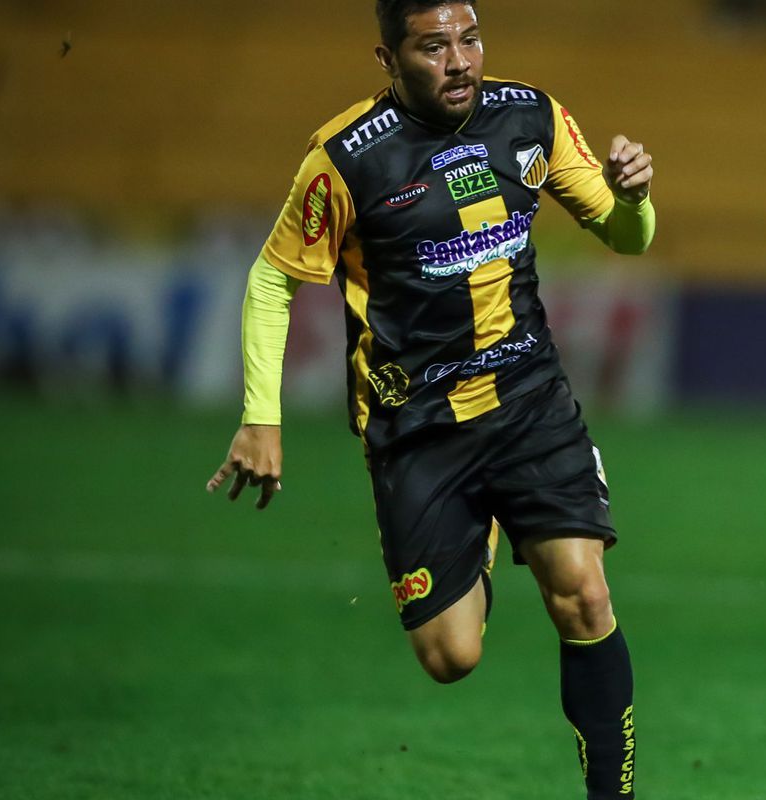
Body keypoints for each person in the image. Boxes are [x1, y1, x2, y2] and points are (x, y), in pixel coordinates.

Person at [205, 2, 653, 796]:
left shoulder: (532, 117)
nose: (459, 61)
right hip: (417, 425)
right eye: (434, 46)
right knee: (451, 657)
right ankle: (478, 528)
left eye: (470, 40)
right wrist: (261, 419)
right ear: (389, 59)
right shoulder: (346, 159)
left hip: (528, 400)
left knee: (584, 595)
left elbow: (628, 237)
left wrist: (634, 199)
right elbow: (273, 279)